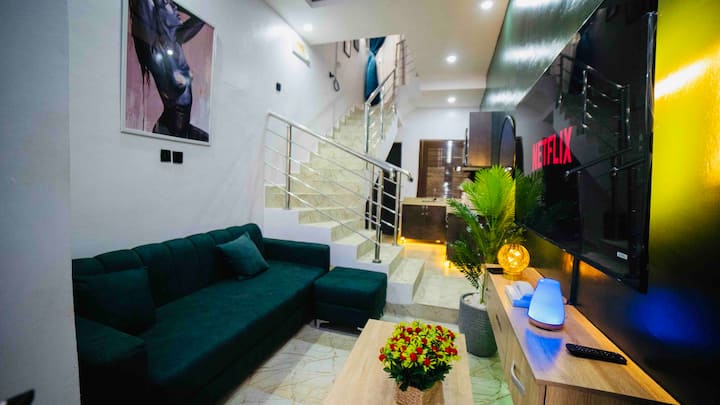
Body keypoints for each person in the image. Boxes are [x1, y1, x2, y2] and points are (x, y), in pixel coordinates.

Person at [129, 0, 208, 141]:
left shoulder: (177, 40)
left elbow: (202, 19)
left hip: (183, 131)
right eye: (168, 4)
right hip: (168, 132)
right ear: (157, 14)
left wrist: (170, 5)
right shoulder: (155, 51)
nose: (175, 7)